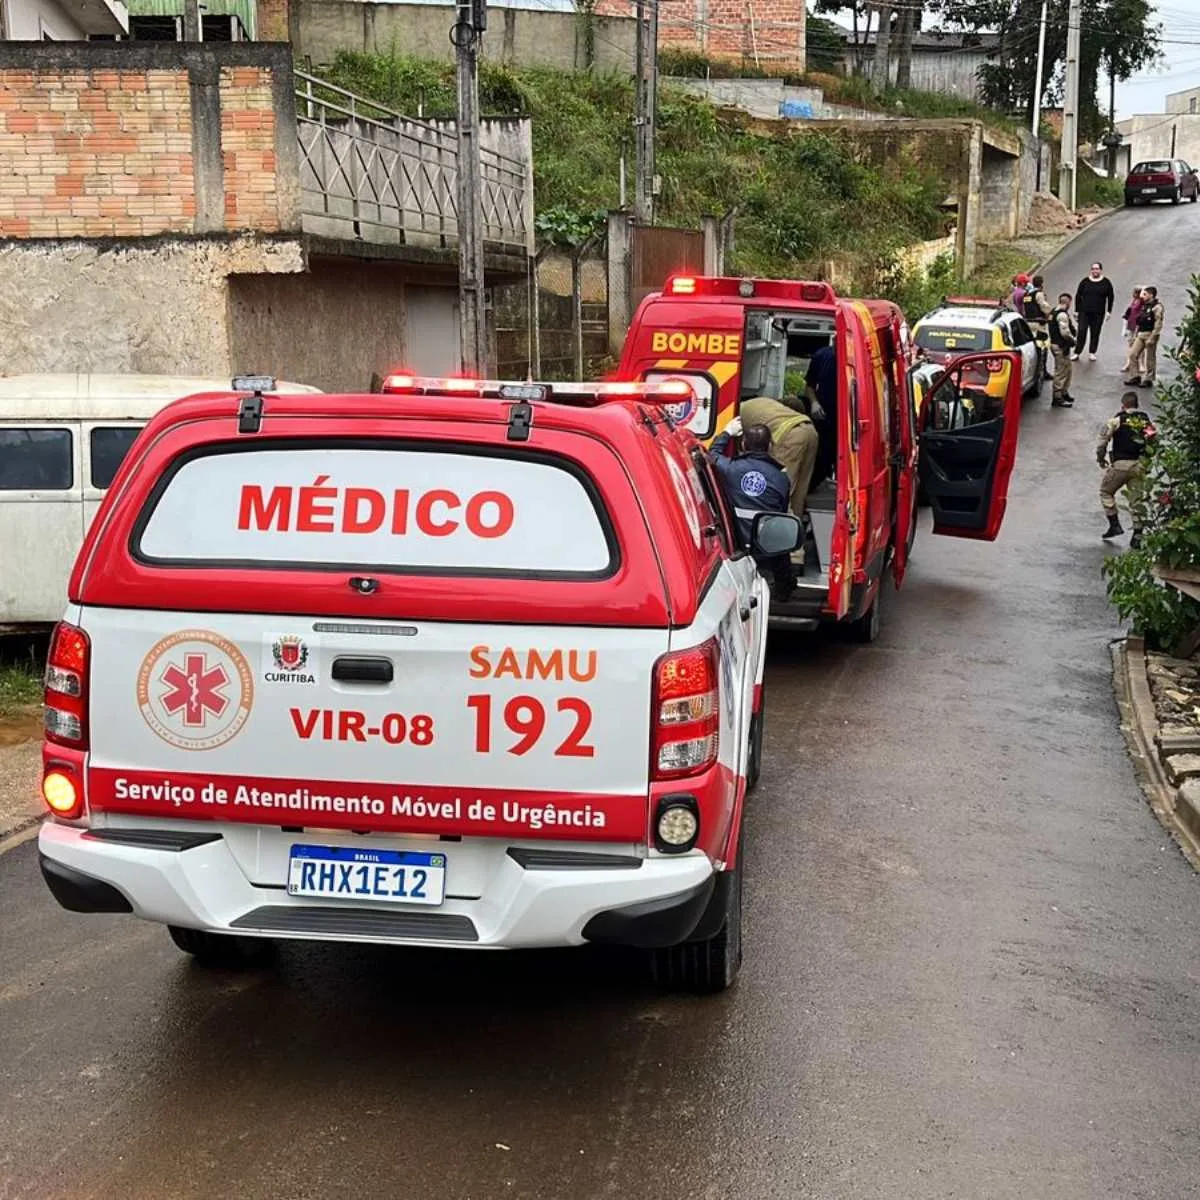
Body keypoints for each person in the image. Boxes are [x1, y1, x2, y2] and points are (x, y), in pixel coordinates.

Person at [709, 418, 793, 596]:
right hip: (766, 545)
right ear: (770, 446)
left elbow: (712, 454)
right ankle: (784, 590)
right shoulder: (781, 478)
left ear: (744, 444)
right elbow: (782, 513)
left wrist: (727, 433)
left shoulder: (731, 469)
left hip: (736, 542)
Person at [739, 395, 819, 523]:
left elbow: (744, 448)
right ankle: (795, 531)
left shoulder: (736, 415)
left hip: (791, 436)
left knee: (781, 487)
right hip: (810, 430)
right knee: (800, 489)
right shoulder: (761, 404)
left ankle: (779, 530)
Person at [1097, 391, 1156, 546]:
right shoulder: (1146, 422)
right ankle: (1137, 535)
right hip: (1139, 465)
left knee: (1106, 492)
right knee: (1136, 501)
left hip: (1120, 465)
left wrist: (1101, 458)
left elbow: (1102, 442)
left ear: (1123, 405)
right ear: (1137, 405)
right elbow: (1154, 440)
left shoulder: (1117, 421)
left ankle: (1114, 524)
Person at [803, 341, 838, 486]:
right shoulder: (822, 356)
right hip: (823, 413)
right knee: (821, 450)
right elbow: (809, 386)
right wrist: (814, 403)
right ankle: (821, 478)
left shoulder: (854, 356)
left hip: (846, 415)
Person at [1073, 261, 1115, 361]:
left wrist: (1109, 311)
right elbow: (1078, 295)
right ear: (1091, 270)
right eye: (1093, 269)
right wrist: (1076, 310)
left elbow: (1111, 297)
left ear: (1100, 270)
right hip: (1084, 312)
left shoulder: (1106, 282)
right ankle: (1077, 352)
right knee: (1081, 331)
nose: (1095, 271)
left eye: (1097, 269)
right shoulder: (1085, 281)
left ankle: (1092, 352)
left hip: (1098, 312)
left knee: (1095, 332)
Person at [1124, 287, 1165, 387]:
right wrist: (1135, 334)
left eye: (1145, 294)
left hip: (1150, 334)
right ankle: (1135, 376)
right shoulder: (1144, 306)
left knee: (1150, 358)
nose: (1143, 296)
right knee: (1133, 354)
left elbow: (1158, 324)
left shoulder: (1157, 307)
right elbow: (1140, 321)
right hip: (1141, 333)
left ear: (1151, 295)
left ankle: (1148, 378)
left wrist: (1153, 337)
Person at [1048, 292, 1077, 408]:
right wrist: (1072, 340)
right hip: (1060, 346)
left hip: (1057, 345)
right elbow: (1064, 332)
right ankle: (1057, 397)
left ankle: (1064, 392)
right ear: (1068, 302)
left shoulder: (1053, 312)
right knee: (1060, 372)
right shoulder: (1061, 315)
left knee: (1068, 369)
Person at [1022, 274, 1054, 380]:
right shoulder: (1038, 294)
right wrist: (1051, 313)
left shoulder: (1026, 295)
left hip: (1028, 324)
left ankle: (1033, 370)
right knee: (1043, 347)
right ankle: (1043, 371)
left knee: (1033, 347)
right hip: (1038, 324)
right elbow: (1044, 306)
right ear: (1041, 284)